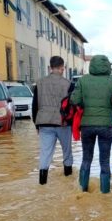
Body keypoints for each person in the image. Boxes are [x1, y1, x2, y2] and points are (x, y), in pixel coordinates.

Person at [70, 55, 112, 194]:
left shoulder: (83, 80)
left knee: (87, 158)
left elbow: (74, 100)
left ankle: (82, 190)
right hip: (106, 126)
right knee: (104, 160)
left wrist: (84, 103)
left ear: (91, 65)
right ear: (107, 66)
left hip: (87, 125)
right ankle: (105, 193)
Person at [32, 56, 74, 185]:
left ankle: (42, 183)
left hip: (44, 122)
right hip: (63, 123)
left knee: (45, 153)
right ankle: (68, 180)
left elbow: (35, 105)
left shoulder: (39, 83)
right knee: (67, 152)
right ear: (62, 68)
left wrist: (36, 124)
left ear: (50, 67)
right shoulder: (68, 84)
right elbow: (72, 106)